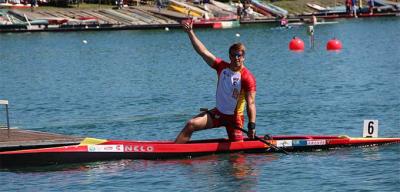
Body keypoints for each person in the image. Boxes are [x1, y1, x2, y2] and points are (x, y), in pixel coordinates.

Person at [175, 19, 257, 144]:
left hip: (235, 120)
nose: (236, 58)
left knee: (238, 157)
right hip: (218, 113)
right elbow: (203, 52)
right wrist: (190, 32)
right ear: (229, 56)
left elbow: (251, 104)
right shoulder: (221, 67)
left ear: (243, 57)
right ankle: (175, 152)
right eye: (233, 55)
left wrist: (251, 126)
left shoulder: (247, 77)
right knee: (191, 124)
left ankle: (235, 147)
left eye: (239, 55)